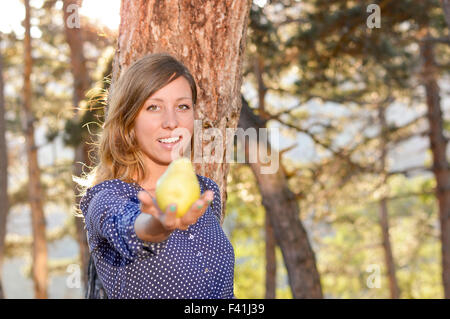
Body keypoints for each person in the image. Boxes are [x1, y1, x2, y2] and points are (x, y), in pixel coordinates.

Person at [76, 52, 235, 299]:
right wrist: (157, 225)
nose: (171, 121)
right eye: (154, 107)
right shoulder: (106, 199)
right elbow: (131, 227)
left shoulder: (205, 191)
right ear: (129, 122)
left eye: (182, 106)